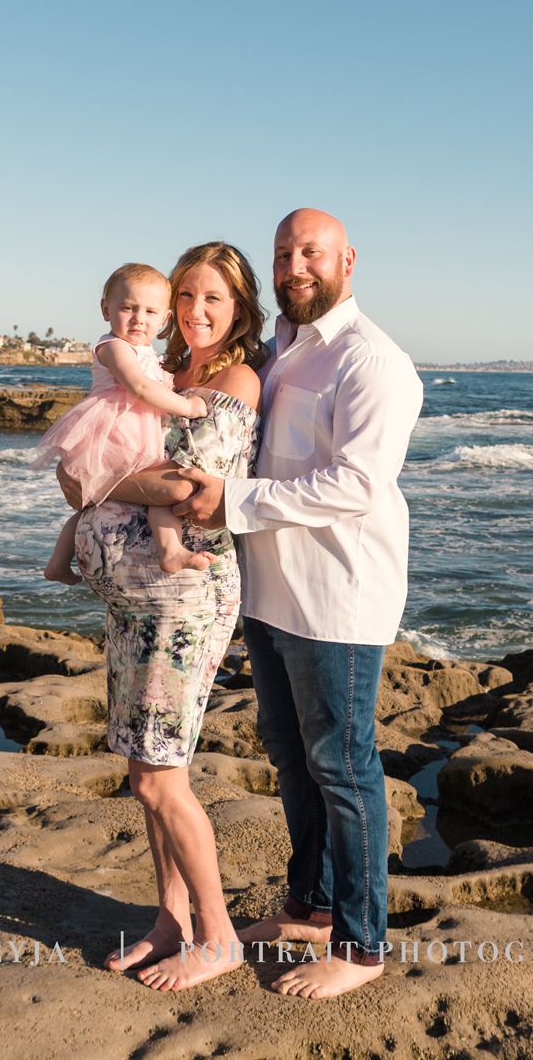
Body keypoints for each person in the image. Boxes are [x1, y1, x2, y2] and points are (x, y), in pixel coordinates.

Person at [171, 208, 424, 999]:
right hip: (272, 594)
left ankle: (361, 943)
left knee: (346, 769)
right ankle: (310, 908)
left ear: (347, 259)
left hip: (337, 599)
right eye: (284, 253)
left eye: (310, 251)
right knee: (293, 760)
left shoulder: (373, 361)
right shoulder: (278, 354)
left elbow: (356, 484)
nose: (294, 265)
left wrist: (233, 502)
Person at [56, 242, 267, 990]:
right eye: (187, 297)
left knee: (161, 777)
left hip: (183, 599)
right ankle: (169, 919)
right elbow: (79, 469)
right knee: (147, 766)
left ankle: (219, 935)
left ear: (239, 309)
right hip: (131, 599)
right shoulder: (165, 372)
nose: (196, 311)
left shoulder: (236, 378)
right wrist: (88, 479)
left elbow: (190, 487)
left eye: (214, 298)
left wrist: (97, 477)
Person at [34, 264, 215, 581]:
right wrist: (187, 406)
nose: (138, 318)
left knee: (102, 504)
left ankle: (60, 564)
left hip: (134, 432)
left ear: (164, 319)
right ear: (106, 310)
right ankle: (168, 549)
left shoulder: (146, 350)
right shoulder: (113, 346)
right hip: (113, 433)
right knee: (133, 493)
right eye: (128, 308)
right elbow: (141, 387)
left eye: (149, 311)